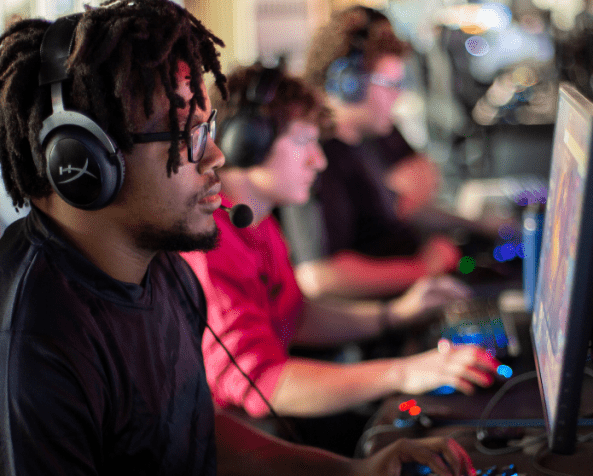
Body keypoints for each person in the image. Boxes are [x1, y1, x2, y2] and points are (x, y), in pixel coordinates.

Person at [0, 0, 477, 476]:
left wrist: (356, 474)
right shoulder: (21, 360)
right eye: (185, 135)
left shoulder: (160, 270)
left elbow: (195, 439)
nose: (215, 157)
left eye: (206, 127)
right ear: (83, 162)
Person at [181, 63, 498, 424]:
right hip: (247, 435)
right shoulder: (210, 245)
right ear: (248, 143)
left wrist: (395, 313)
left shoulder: (258, 221)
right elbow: (262, 383)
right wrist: (404, 372)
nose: (319, 161)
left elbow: (295, 318)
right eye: (303, 141)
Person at [283, 5, 470, 300]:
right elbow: (319, 276)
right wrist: (424, 269)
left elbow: (405, 203)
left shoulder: (363, 139)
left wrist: (479, 225)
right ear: (349, 85)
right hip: (381, 314)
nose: (398, 95)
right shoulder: (316, 158)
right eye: (390, 84)